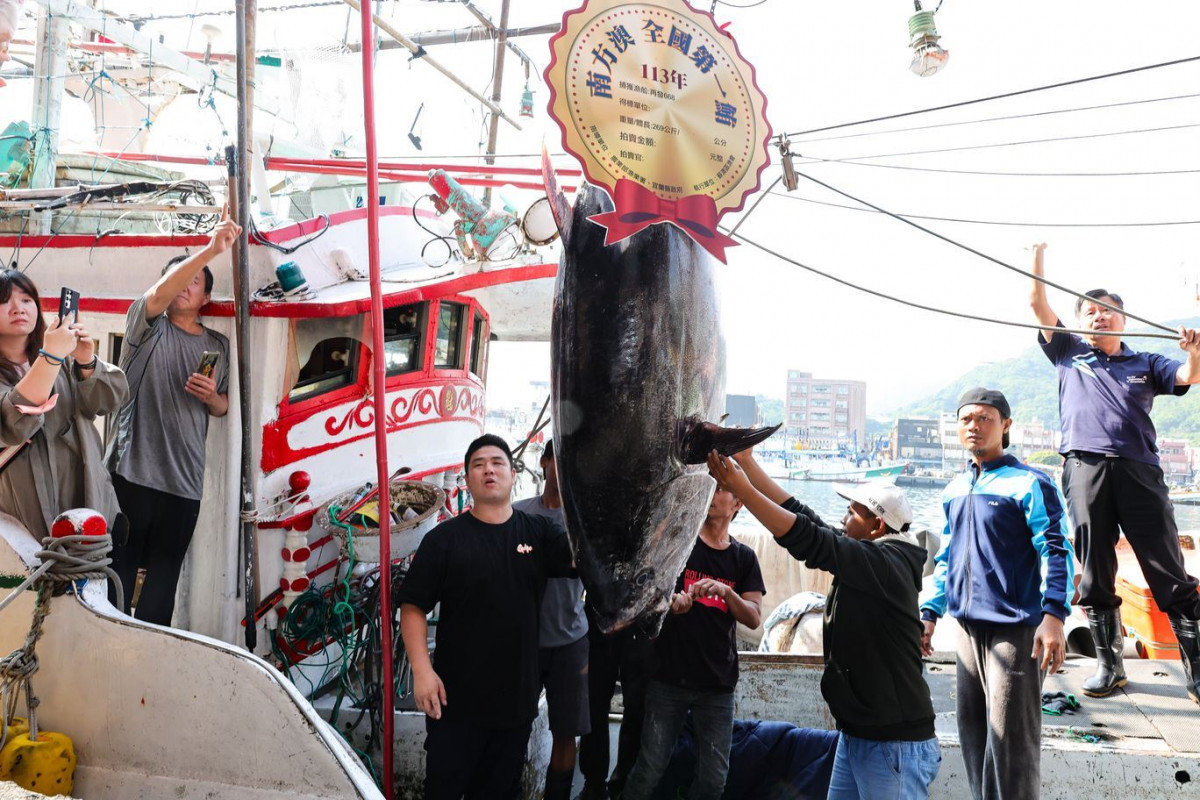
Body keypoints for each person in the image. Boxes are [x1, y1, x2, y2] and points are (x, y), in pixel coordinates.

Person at [707, 450, 941, 800]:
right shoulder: (868, 555)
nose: (843, 518)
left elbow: (811, 541)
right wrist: (749, 466)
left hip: (894, 744)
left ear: (877, 525)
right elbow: (807, 519)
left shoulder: (885, 564)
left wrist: (743, 488)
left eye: (851, 512)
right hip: (859, 734)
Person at [1030, 242, 1200, 703]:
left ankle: (1197, 669)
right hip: (1084, 468)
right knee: (1095, 571)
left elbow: (1189, 375)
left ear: (1122, 319)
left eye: (1108, 311)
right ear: (1081, 320)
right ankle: (1110, 665)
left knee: (1168, 568)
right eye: (1090, 311)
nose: (1099, 317)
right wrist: (1038, 254)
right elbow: (1036, 304)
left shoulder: (1145, 362)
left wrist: (1195, 352)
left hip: (1140, 471)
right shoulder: (1067, 351)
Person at [398, 434, 575, 800]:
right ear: (467, 479)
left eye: (497, 462)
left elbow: (584, 560)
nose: (488, 469)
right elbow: (413, 605)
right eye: (478, 465)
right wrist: (421, 670)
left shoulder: (540, 533)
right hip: (453, 705)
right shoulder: (444, 540)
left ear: (513, 474)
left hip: (515, 705)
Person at [921, 388, 1075, 800]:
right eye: (967, 418)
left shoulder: (1030, 482)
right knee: (974, 737)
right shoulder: (955, 487)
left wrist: (1054, 616)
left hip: (1016, 627)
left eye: (985, 418)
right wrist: (930, 612)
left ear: (1006, 426)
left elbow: (1056, 548)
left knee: (1012, 743)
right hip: (966, 628)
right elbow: (947, 556)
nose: (974, 425)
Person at [106, 210, 239, 625]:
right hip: (132, 475)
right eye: (179, 276)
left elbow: (223, 408)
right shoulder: (145, 326)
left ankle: (148, 659)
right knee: (117, 575)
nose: (185, 285)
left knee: (162, 585)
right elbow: (158, 296)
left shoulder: (219, 344)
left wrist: (211, 397)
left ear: (204, 299)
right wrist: (210, 251)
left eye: (194, 281)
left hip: (184, 484)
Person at [621, 479, 764, 800]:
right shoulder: (679, 545)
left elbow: (754, 617)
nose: (712, 496)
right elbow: (645, 598)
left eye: (721, 490)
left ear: (738, 503)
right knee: (648, 769)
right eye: (708, 490)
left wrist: (727, 592)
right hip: (667, 680)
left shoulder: (743, 558)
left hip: (717, 686)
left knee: (714, 780)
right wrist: (672, 604)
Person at [0, 270, 128, 541]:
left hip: (85, 498)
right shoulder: (55, 356)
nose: (17, 309)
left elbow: (108, 402)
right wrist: (51, 356)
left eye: (26, 300)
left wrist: (86, 361)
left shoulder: (66, 361)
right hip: (20, 513)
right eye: (4, 301)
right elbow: (12, 424)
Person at [511, 440, 590, 800]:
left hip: (570, 641)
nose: (564, 468)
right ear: (543, 463)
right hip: (521, 642)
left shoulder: (586, 523)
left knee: (566, 732)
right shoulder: (517, 515)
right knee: (510, 728)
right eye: (558, 459)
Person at [575, 602, 654, 800]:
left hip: (641, 619)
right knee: (594, 703)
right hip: (600, 614)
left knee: (637, 706)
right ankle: (594, 784)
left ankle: (625, 784)